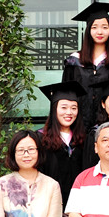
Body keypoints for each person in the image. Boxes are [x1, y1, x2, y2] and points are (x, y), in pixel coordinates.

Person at [63, 2, 109, 129]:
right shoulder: (74, 61)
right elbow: (66, 95)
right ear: (88, 31)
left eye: (105, 27)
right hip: (78, 126)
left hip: (107, 127)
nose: (100, 31)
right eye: (94, 27)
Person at [38, 81, 87, 209]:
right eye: (64, 107)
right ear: (54, 109)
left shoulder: (84, 139)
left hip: (79, 206)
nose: (69, 112)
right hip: (50, 204)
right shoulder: (40, 139)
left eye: (74, 108)